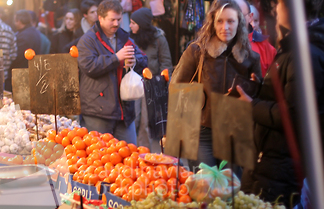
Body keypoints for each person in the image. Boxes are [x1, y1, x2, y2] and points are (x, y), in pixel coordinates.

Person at [238, 0, 324, 208]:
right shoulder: (293, 48)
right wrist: (262, 88)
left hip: (280, 167)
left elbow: (295, 114)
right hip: (268, 161)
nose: (275, 9)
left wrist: (252, 105)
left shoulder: (304, 54)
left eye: (280, 3)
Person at [170, 0, 261, 172]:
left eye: (230, 21)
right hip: (201, 132)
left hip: (235, 133)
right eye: (220, 21)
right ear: (212, 22)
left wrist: (253, 91)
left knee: (232, 191)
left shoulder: (251, 58)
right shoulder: (197, 51)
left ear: (239, 23)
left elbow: (257, 98)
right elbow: (176, 87)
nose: (225, 27)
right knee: (205, 188)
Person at [77, 0, 147, 144]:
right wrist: (116, 58)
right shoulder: (88, 40)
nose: (116, 23)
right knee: (100, 158)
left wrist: (135, 61)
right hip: (98, 110)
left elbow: (143, 59)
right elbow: (89, 66)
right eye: (112, 20)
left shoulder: (124, 37)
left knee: (129, 155)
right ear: (100, 18)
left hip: (124, 111)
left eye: (119, 19)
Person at [129, 7, 173, 151]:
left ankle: (146, 152)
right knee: (133, 118)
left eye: (133, 23)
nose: (130, 26)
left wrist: (162, 82)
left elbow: (166, 61)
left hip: (152, 84)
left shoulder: (159, 39)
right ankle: (132, 151)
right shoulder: (130, 39)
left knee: (147, 122)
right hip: (134, 83)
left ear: (141, 24)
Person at [235, 0, 276, 77]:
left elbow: (274, 83)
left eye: (241, 16)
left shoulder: (267, 48)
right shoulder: (219, 46)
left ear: (250, 17)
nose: (237, 20)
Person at [6, 10, 42, 90]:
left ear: (19, 21)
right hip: (33, 71)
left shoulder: (23, 36)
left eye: (15, 21)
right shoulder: (35, 32)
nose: (14, 24)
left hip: (22, 73)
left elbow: (18, 56)